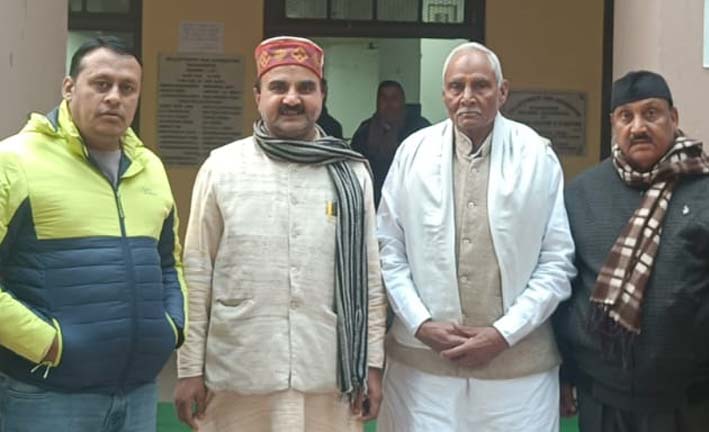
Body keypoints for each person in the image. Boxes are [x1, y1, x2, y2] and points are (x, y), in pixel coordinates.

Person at [174, 36, 386, 432]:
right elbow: (197, 272)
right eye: (278, 87)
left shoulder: (351, 173)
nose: (292, 98)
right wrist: (189, 369)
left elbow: (369, 276)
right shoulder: (222, 168)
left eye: (305, 87)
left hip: (328, 373)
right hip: (239, 373)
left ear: (322, 94)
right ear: (257, 95)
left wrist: (372, 364)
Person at [376, 41, 576, 431]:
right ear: (444, 94)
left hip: (517, 372)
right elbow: (388, 248)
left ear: (502, 92)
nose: (467, 96)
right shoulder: (412, 153)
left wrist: (504, 333)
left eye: (481, 85)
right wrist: (420, 323)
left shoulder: (537, 156)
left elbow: (556, 260)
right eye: (457, 86)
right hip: (422, 370)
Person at [0, 36, 187, 431]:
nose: (114, 97)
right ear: (69, 88)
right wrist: (49, 345)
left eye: (127, 88)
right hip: (47, 396)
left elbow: (169, 263)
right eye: (101, 84)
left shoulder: (150, 167)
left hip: (137, 394)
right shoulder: (15, 161)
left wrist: (171, 326)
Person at [554, 70, 709, 431]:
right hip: (602, 398)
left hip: (689, 400)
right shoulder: (582, 194)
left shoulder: (703, 189)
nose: (638, 127)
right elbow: (564, 288)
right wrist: (564, 372)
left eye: (651, 113)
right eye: (626, 116)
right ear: (613, 124)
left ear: (674, 118)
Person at [351, 80, 430, 206]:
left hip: (410, 199)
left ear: (402, 101)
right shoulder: (365, 130)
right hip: (374, 199)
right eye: (384, 99)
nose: (389, 104)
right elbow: (354, 166)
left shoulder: (419, 129)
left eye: (394, 98)